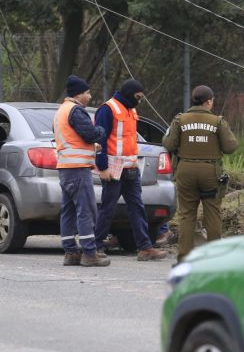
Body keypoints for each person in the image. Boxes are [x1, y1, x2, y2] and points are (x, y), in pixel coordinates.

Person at [162, 85, 238, 262]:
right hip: (210, 172)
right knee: (212, 213)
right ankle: (213, 260)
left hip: (185, 170)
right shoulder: (218, 121)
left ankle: (183, 259)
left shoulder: (180, 120)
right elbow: (231, 147)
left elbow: (169, 144)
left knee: (187, 215)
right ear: (209, 101)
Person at [94, 79, 167, 261]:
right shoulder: (108, 109)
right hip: (113, 167)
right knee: (108, 209)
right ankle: (96, 246)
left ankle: (144, 247)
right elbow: (99, 141)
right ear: (128, 93)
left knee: (137, 207)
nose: (139, 101)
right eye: (137, 97)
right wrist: (102, 167)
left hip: (131, 167)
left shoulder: (131, 109)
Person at [53, 75, 110, 267]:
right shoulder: (76, 111)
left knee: (68, 211)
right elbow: (90, 133)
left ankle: (70, 252)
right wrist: (102, 132)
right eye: (87, 92)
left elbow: (71, 139)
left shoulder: (61, 110)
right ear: (79, 94)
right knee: (86, 210)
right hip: (78, 170)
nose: (90, 96)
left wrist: (92, 148)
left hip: (65, 168)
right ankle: (89, 252)